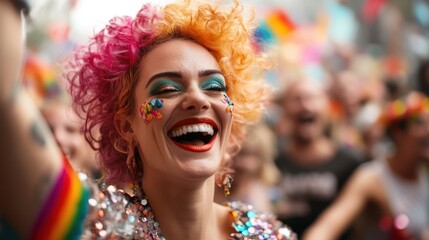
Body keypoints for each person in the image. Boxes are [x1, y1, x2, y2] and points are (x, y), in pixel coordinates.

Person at [0, 0, 297, 239]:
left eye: (215, 86)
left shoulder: (269, 235)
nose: (197, 98)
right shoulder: (97, 226)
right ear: (126, 127)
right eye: (167, 88)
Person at [303, 92, 429, 240]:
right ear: (398, 132)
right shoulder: (371, 178)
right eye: (421, 124)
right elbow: (325, 229)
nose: (428, 131)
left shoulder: (424, 174)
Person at [273, 78, 364, 239]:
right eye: (297, 99)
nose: (306, 105)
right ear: (284, 108)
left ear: (327, 107)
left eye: (312, 98)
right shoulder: (271, 161)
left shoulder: (352, 163)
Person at [215, 122, 281, 213]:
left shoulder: (266, 196)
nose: (240, 162)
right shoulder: (210, 189)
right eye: (234, 153)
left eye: (247, 154)